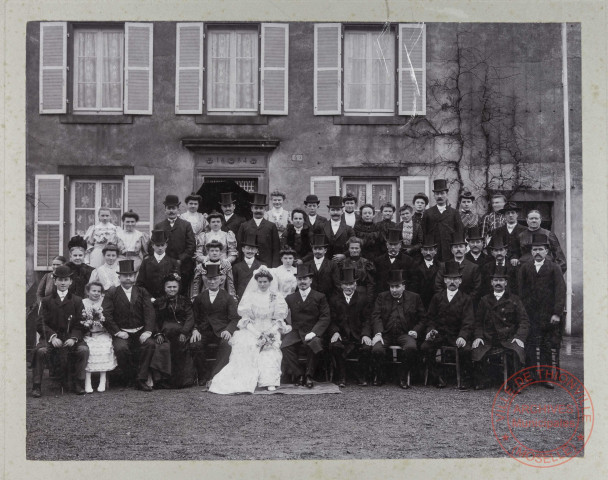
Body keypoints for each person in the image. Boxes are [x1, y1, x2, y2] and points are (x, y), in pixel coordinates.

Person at [209, 267, 291, 394]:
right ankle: (243, 381)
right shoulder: (250, 296)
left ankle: (268, 381)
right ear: (256, 282)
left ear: (270, 282)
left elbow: (278, 319)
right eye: (260, 282)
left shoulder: (276, 297)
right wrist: (257, 333)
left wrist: (269, 333)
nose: (262, 284)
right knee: (245, 347)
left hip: (271, 329)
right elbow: (245, 320)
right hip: (252, 329)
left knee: (270, 350)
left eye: (265, 282)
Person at [31, 265, 88, 397]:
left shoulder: (77, 301)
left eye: (66, 280)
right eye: (60, 280)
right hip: (51, 338)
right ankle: (36, 385)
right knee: (41, 351)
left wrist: (74, 338)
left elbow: (81, 323)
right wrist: (52, 337)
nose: (63, 283)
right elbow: (40, 323)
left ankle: (79, 383)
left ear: (70, 282)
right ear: (55, 281)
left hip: (70, 338)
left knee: (83, 350)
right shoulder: (46, 301)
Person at [517, 234, 566, 388]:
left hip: (548, 315)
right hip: (530, 314)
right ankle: (531, 375)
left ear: (546, 251)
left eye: (540, 249)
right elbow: (520, 290)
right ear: (531, 252)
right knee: (530, 344)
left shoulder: (554, 268)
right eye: (534, 249)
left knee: (545, 345)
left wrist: (557, 313)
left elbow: (560, 291)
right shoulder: (525, 267)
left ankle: (545, 377)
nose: (537, 252)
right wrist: (522, 313)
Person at [101, 260, 157, 392]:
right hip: (122, 332)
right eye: (124, 275)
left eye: (130, 275)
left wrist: (147, 331)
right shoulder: (112, 292)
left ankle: (141, 379)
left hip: (140, 331)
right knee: (121, 348)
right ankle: (130, 378)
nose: (128, 278)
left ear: (134, 277)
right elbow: (106, 314)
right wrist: (117, 332)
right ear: (119, 277)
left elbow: (150, 312)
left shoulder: (142, 291)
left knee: (149, 344)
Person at [472, 266, 529, 390]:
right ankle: (484, 380)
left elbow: (524, 321)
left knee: (516, 351)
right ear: (491, 283)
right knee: (476, 350)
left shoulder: (514, 299)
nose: (498, 283)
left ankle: (515, 383)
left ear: (506, 283)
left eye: (501, 280)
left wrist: (519, 337)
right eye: (496, 280)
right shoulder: (484, 300)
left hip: (508, 337)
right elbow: (478, 322)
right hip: (489, 338)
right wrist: (478, 336)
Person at [422, 261, 475, 389]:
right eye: (449, 278)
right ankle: (436, 377)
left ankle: (465, 378)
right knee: (425, 347)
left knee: (466, 350)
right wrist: (431, 330)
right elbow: (430, 318)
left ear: (460, 281)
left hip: (456, 335)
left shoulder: (466, 299)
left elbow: (468, 322)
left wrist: (462, 336)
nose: (452, 282)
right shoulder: (437, 297)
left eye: (455, 279)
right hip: (439, 334)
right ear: (445, 280)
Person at [371, 270, 426, 389]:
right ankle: (380, 375)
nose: (394, 290)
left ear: (403, 286)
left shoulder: (414, 297)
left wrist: (416, 330)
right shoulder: (382, 297)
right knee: (377, 349)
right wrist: (378, 333)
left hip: (405, 334)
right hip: (386, 334)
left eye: (397, 286)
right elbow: (376, 316)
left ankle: (403, 376)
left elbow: (423, 319)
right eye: (392, 287)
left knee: (411, 347)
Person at [190, 264, 240, 390]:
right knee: (195, 345)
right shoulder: (199, 298)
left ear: (220, 280)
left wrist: (229, 330)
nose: (212, 282)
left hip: (221, 331)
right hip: (204, 331)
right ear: (205, 280)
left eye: (215, 279)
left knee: (227, 345)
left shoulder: (228, 297)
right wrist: (195, 329)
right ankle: (204, 375)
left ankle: (215, 375)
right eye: (209, 279)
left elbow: (234, 318)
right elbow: (194, 317)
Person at [281, 264, 331, 388]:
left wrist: (314, 332)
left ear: (310, 280)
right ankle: (299, 375)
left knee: (314, 343)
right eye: (299, 279)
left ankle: (309, 375)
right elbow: (281, 314)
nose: (302, 282)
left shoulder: (320, 296)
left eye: (305, 279)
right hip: (296, 331)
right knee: (284, 346)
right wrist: (287, 327)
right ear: (296, 280)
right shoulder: (290, 298)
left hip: (313, 331)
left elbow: (325, 317)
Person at [328, 267, 372, 387]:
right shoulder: (334, 300)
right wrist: (335, 332)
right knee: (335, 346)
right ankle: (341, 376)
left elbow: (367, 319)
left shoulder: (363, 299)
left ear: (356, 284)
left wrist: (365, 334)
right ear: (341, 285)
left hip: (358, 334)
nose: (348, 287)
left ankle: (360, 375)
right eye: (345, 284)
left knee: (367, 347)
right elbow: (331, 320)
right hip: (342, 335)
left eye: (351, 284)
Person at [152, 272, 197, 389]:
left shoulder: (184, 301)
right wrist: (158, 333)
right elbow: (154, 320)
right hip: (165, 333)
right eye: (169, 287)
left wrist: (184, 332)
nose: (172, 289)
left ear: (178, 287)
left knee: (182, 346)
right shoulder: (159, 302)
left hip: (181, 332)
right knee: (162, 347)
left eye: (174, 287)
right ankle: (163, 380)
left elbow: (190, 318)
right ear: (164, 288)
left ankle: (183, 381)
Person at [153, 194, 196, 296]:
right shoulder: (159, 226)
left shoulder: (186, 225)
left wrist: (181, 259)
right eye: (169, 208)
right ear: (165, 210)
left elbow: (191, 245)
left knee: (182, 291)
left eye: (174, 208)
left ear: (178, 210)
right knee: (164, 289)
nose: (171, 211)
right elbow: (154, 245)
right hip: (164, 263)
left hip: (183, 264)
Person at [81, 281, 117, 393]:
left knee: (103, 348)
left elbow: (109, 318)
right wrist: (87, 322)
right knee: (89, 350)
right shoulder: (83, 302)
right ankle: (88, 381)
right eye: (93, 291)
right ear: (88, 291)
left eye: (99, 291)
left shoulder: (105, 302)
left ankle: (103, 378)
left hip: (102, 332)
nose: (96, 293)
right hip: (88, 333)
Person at [421, 179, 465, 262]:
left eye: (442, 193)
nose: (440, 196)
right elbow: (423, 232)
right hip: (433, 251)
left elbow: (460, 232)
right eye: (437, 194)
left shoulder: (454, 212)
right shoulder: (428, 213)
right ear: (434, 196)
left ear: (447, 194)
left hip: (449, 250)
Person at [434, 232, 481, 306]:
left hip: (466, 305)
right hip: (446, 304)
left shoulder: (473, 267)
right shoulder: (444, 266)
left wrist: (465, 301)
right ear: (452, 250)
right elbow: (438, 285)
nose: (458, 249)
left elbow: (476, 289)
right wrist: (446, 300)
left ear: (465, 250)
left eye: (461, 246)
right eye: (455, 247)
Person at [237, 193, 281, 267]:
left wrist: (274, 267)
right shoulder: (244, 226)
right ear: (252, 209)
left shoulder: (271, 226)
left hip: (267, 263)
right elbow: (239, 247)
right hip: (248, 264)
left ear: (265, 209)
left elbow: (276, 248)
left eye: (261, 208)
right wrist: (241, 264)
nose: (258, 210)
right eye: (256, 208)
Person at [136, 229, 180, 300]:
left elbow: (177, 284)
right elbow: (140, 284)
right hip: (149, 300)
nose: (160, 248)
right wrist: (149, 298)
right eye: (157, 245)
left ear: (166, 245)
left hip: (167, 301)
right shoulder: (146, 262)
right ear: (153, 245)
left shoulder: (173, 262)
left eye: (162, 245)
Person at [374, 229, 419, 297]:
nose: (393, 247)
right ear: (386, 245)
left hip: (403, 298)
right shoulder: (378, 261)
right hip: (384, 298)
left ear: (400, 245)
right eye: (390, 244)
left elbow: (414, 282)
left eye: (395, 244)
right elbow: (376, 282)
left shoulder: (409, 261)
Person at [337, 237, 376, 304]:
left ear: (360, 249)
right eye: (352, 248)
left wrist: (369, 300)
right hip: (346, 294)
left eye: (356, 248)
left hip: (362, 296)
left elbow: (370, 284)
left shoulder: (366, 263)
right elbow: (339, 282)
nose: (354, 250)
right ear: (348, 249)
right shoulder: (342, 263)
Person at [319, 196, 355, 263]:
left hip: (343, 263)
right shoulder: (321, 227)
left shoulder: (349, 229)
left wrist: (344, 255)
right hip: (325, 263)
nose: (335, 212)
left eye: (338, 210)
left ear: (342, 212)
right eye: (332, 210)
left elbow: (354, 245)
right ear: (328, 211)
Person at [305, 234, 340, 299]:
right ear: (312, 249)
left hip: (328, 299)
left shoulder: (332, 265)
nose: (317, 251)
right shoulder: (307, 265)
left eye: (320, 249)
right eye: (315, 249)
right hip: (311, 300)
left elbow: (337, 285)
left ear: (325, 250)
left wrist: (333, 300)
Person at [232, 233, 264, 300]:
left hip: (257, 297)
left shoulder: (262, 266)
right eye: (248, 248)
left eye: (252, 249)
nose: (250, 251)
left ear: (256, 250)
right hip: (241, 298)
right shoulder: (236, 267)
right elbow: (234, 285)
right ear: (243, 249)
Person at [414, 240, 441, 309]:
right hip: (419, 302)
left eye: (431, 250)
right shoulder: (415, 265)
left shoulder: (440, 266)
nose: (428, 253)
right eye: (425, 250)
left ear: (435, 251)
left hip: (436, 303)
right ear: (421, 251)